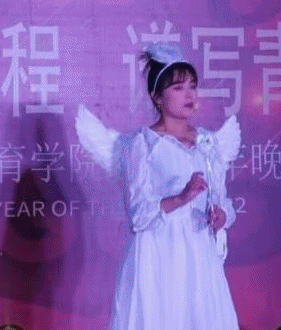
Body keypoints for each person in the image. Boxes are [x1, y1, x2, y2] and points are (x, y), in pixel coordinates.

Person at [76, 44, 241, 330]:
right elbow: (139, 215)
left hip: (199, 252)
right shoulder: (142, 144)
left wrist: (221, 215)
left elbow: (223, 201)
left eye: (192, 86)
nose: (189, 94)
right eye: (178, 88)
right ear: (157, 97)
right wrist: (182, 197)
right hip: (159, 253)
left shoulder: (208, 143)